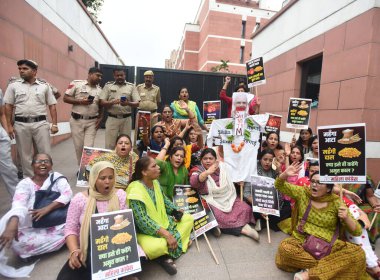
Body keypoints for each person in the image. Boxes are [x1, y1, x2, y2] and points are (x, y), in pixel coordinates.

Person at [274, 163, 368, 280]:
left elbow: (357, 232)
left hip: (329, 246)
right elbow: (279, 185)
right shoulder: (303, 193)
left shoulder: (337, 202)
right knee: (285, 248)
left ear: (329, 188)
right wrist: (284, 175)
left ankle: (309, 274)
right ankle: (328, 268)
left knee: (358, 254)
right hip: (301, 241)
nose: (314, 185)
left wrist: (346, 218)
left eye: (319, 182)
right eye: (312, 181)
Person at [57, 161, 140, 280]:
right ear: (94, 179)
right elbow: (70, 229)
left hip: (115, 250)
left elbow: (125, 226)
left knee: (138, 260)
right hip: (87, 251)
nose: (107, 181)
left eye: (111, 177)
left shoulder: (120, 195)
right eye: (102, 178)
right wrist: (74, 251)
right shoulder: (79, 200)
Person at [0, 153, 71, 277]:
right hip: (34, 226)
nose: (43, 163)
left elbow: (67, 194)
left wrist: (47, 209)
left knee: (81, 222)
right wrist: (13, 223)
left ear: (51, 166)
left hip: (59, 222)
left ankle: (67, 239)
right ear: (32, 165)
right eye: (38, 161)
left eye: (46, 161)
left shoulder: (57, 178)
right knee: (18, 244)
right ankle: (67, 240)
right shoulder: (24, 184)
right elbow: (18, 204)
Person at [127, 157, 194, 275]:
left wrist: (175, 211)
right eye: (154, 166)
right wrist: (166, 234)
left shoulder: (155, 182)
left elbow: (164, 201)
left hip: (165, 223)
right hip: (146, 233)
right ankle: (173, 248)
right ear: (144, 172)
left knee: (188, 219)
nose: (159, 168)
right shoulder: (135, 189)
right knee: (157, 246)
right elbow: (142, 221)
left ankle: (165, 254)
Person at [190, 148, 259, 241]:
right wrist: (207, 173)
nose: (208, 161)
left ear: (215, 160)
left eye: (211, 158)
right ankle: (244, 230)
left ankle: (218, 228)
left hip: (227, 196)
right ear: (201, 160)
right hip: (211, 199)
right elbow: (194, 182)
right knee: (218, 216)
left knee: (245, 208)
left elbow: (233, 177)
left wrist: (239, 181)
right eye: (205, 158)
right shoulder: (198, 169)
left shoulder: (222, 167)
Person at [4, 59, 58, 177]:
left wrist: (54, 124)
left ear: (34, 71)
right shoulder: (13, 86)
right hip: (21, 125)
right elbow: (8, 106)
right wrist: (9, 126)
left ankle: (46, 178)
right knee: (25, 155)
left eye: (25, 69)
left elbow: (52, 105)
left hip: (41, 124)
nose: (21, 71)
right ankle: (29, 179)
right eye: (20, 69)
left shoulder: (44, 86)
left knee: (45, 153)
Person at [63, 67, 103, 164]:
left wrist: (101, 117)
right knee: (79, 147)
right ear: (90, 74)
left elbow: (101, 105)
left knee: (89, 147)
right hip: (77, 121)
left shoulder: (100, 90)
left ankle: (85, 170)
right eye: (98, 75)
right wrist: (80, 101)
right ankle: (80, 168)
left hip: (92, 122)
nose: (100, 78)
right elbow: (65, 98)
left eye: (101, 77)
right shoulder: (76, 84)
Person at [100, 69, 140, 149]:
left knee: (125, 145)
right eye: (117, 75)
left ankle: (123, 161)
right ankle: (109, 161)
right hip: (112, 118)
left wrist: (127, 103)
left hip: (126, 119)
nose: (120, 77)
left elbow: (137, 103)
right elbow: (102, 102)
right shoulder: (108, 86)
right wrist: (112, 102)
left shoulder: (131, 86)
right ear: (114, 76)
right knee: (109, 145)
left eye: (122, 75)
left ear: (125, 75)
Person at [344, 176, 380, 244]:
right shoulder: (334, 176)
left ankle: (369, 241)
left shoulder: (364, 177)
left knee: (376, 213)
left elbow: (370, 196)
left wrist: (376, 205)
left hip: (360, 205)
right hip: (341, 203)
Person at [0, 88, 18, 196]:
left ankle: (18, 201)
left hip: (1, 137)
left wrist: (6, 132)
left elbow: (1, 113)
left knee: (9, 170)